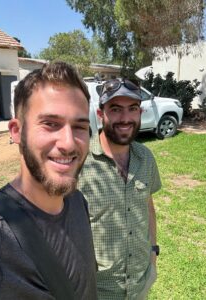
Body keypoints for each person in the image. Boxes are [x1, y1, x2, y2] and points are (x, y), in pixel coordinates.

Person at [0, 62, 97, 300]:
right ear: (16, 131)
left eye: (79, 126)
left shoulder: (77, 201)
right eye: (50, 124)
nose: (68, 142)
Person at [78, 78, 161, 300]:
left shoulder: (146, 158)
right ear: (99, 114)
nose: (125, 118)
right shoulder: (79, 162)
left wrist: (153, 253)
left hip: (140, 283)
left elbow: (148, 207)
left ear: (140, 113)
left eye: (132, 109)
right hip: (97, 292)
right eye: (115, 109)